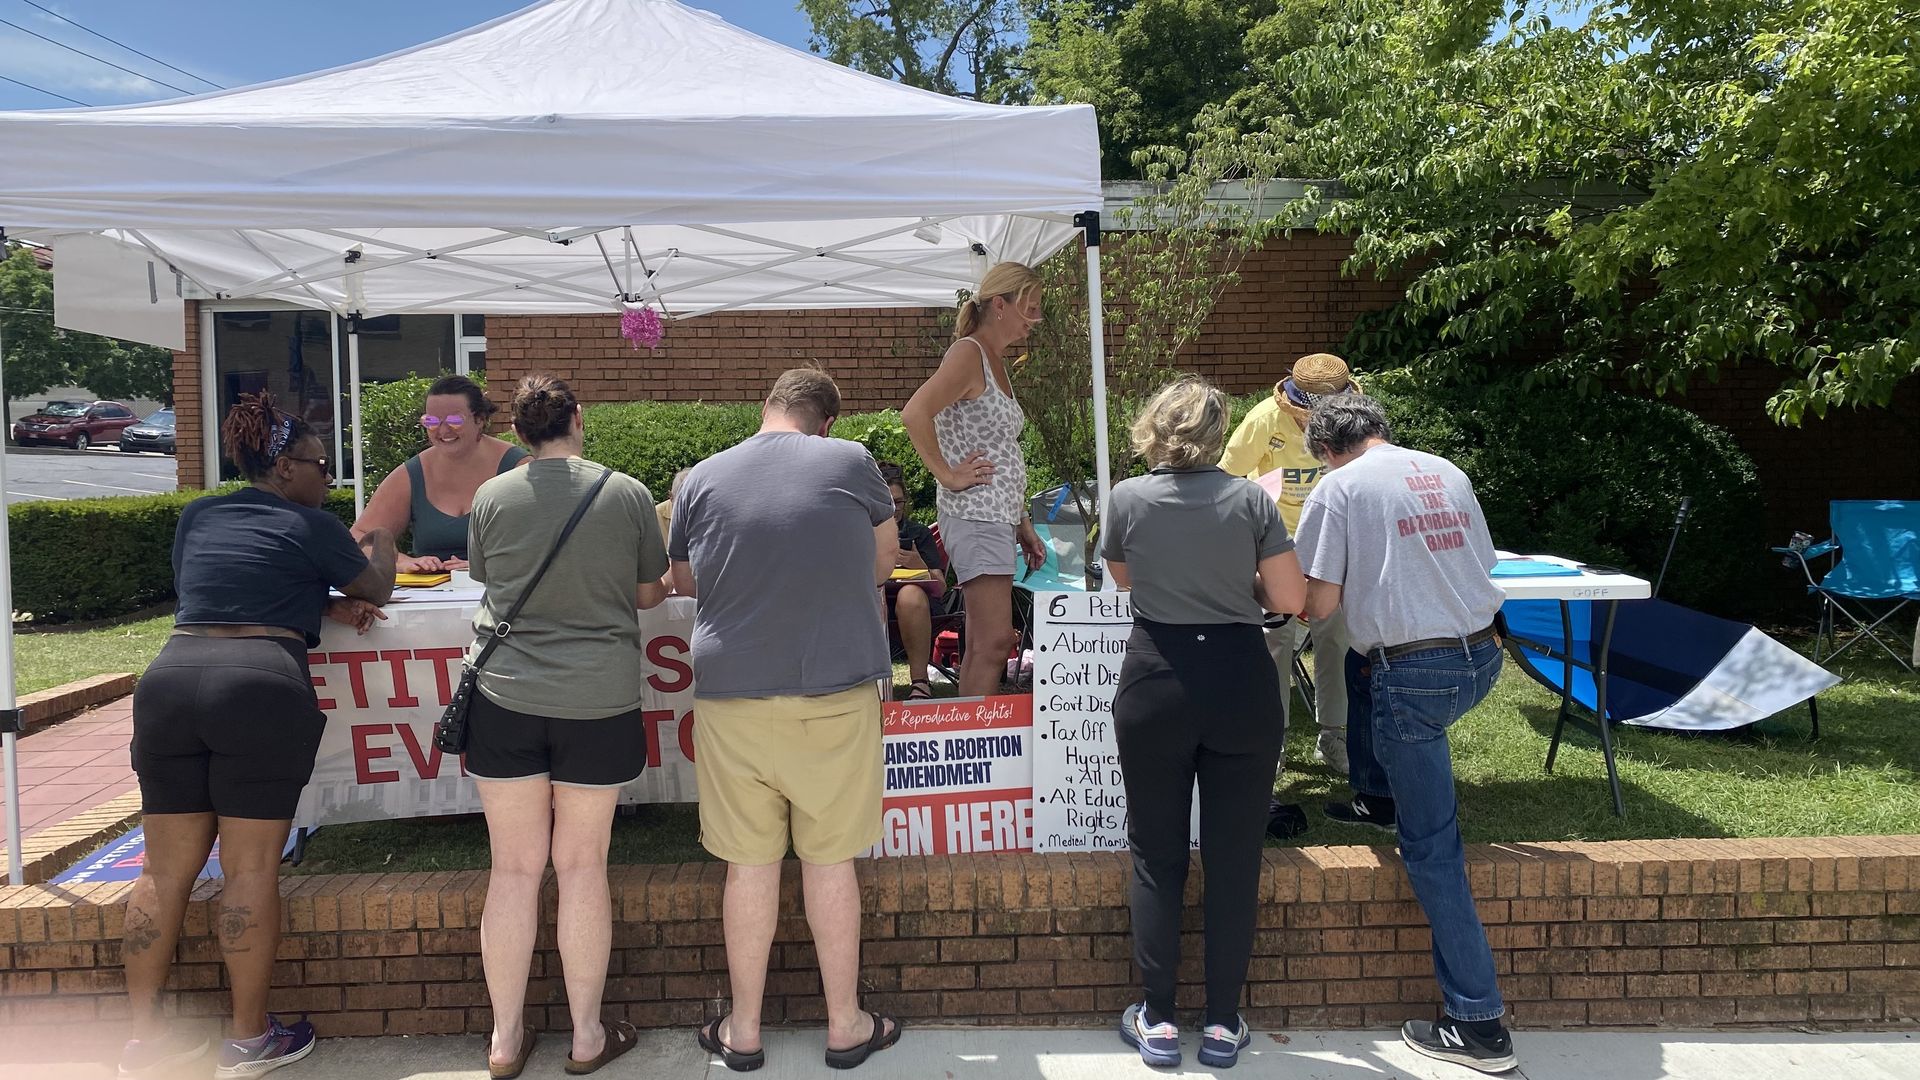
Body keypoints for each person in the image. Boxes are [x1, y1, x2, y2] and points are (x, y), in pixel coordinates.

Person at [120, 394, 396, 1080]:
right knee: (248, 870)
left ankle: (140, 1041)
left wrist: (319, 602)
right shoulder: (311, 523)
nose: (327, 479)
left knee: (160, 872)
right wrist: (382, 536)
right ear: (284, 466)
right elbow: (381, 585)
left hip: (171, 679)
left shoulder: (198, 514)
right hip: (259, 685)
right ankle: (248, 1040)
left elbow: (225, 589)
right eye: (321, 466)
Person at [669, 368, 902, 1072]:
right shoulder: (852, 462)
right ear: (825, 422)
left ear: (765, 407)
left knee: (749, 865)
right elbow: (885, 563)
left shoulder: (701, 478)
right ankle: (844, 1024)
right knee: (830, 862)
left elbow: (683, 582)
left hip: (732, 690)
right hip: (833, 687)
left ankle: (742, 1030)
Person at [1292, 393, 1517, 1074]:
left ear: (1327, 449)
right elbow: (1482, 562)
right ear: (1380, 430)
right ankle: (1377, 796)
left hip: (1416, 675)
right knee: (1364, 671)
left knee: (1433, 849)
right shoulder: (1445, 470)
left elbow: (1319, 603)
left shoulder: (1339, 488)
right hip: (1481, 656)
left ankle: (1479, 1023)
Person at [463, 374, 668, 1078]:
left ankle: (504, 1039)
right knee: (582, 866)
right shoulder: (628, 493)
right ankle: (586, 1036)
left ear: (519, 432)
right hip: (598, 697)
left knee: (514, 870)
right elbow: (648, 595)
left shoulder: (492, 495)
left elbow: (486, 580)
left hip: (505, 695)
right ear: (578, 419)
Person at [1100, 376, 1306, 1070]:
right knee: (1233, 858)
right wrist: (1237, 580)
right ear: (1221, 434)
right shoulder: (1251, 500)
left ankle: (1158, 1019)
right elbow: (1286, 597)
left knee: (1156, 858)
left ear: (1154, 427)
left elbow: (1129, 581)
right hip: (1239, 677)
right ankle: (1222, 1024)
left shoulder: (1127, 498)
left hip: (1156, 675)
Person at [1220, 353, 1360, 817]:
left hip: (1335, 547)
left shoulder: (1355, 422)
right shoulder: (1265, 418)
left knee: (1336, 641)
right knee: (1273, 647)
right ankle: (1273, 741)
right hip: (1276, 549)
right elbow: (1226, 477)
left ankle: (1335, 737)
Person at [901, 262, 1048, 698]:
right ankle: (975, 731)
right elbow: (914, 413)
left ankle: (970, 728)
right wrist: (947, 475)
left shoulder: (993, 360)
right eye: (1030, 309)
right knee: (995, 641)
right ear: (999, 305)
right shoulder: (969, 354)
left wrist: (1020, 520)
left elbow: (1003, 452)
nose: (1035, 320)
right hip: (975, 515)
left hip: (995, 516)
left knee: (989, 641)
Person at [352, 374, 528, 573]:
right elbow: (359, 536)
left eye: (454, 420)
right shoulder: (411, 474)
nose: (443, 431)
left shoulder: (520, 468)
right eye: (432, 421)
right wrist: (400, 562)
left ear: (480, 419)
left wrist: (488, 567)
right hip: (431, 598)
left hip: (504, 593)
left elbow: (546, 542)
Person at [879, 464, 947, 699]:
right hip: (875, 600)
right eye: (888, 502)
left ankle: (920, 683)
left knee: (910, 594)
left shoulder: (919, 534)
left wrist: (920, 565)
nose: (894, 509)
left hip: (918, 605)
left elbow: (941, 585)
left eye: (899, 502)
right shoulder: (863, 532)